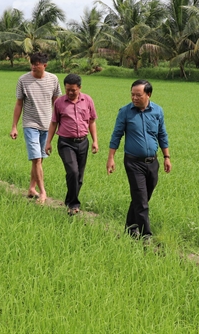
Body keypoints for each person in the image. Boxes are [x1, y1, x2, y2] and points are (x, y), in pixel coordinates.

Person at [106, 79, 171, 239]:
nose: (134, 98)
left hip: (152, 162)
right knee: (141, 201)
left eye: (138, 95)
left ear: (148, 94)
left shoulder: (157, 111)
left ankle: (130, 227)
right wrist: (111, 158)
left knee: (142, 197)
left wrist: (166, 157)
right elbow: (116, 135)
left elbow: (162, 134)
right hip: (133, 162)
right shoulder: (125, 112)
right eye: (132, 94)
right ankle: (145, 235)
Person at [11, 52, 62, 203]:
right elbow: (19, 104)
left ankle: (32, 188)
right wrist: (14, 126)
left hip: (47, 125)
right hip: (30, 124)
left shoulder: (53, 79)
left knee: (39, 159)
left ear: (45, 65)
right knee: (37, 159)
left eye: (37, 64)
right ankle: (43, 192)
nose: (33, 66)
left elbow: (57, 104)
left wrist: (59, 124)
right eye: (32, 64)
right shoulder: (23, 80)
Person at [44, 74, 99, 215]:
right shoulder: (59, 102)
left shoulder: (88, 100)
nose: (70, 92)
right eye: (67, 89)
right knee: (73, 172)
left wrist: (95, 141)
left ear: (79, 88)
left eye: (73, 90)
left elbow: (92, 122)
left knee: (79, 176)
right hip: (66, 143)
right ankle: (73, 205)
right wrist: (48, 142)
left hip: (83, 142)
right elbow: (54, 123)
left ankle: (69, 201)